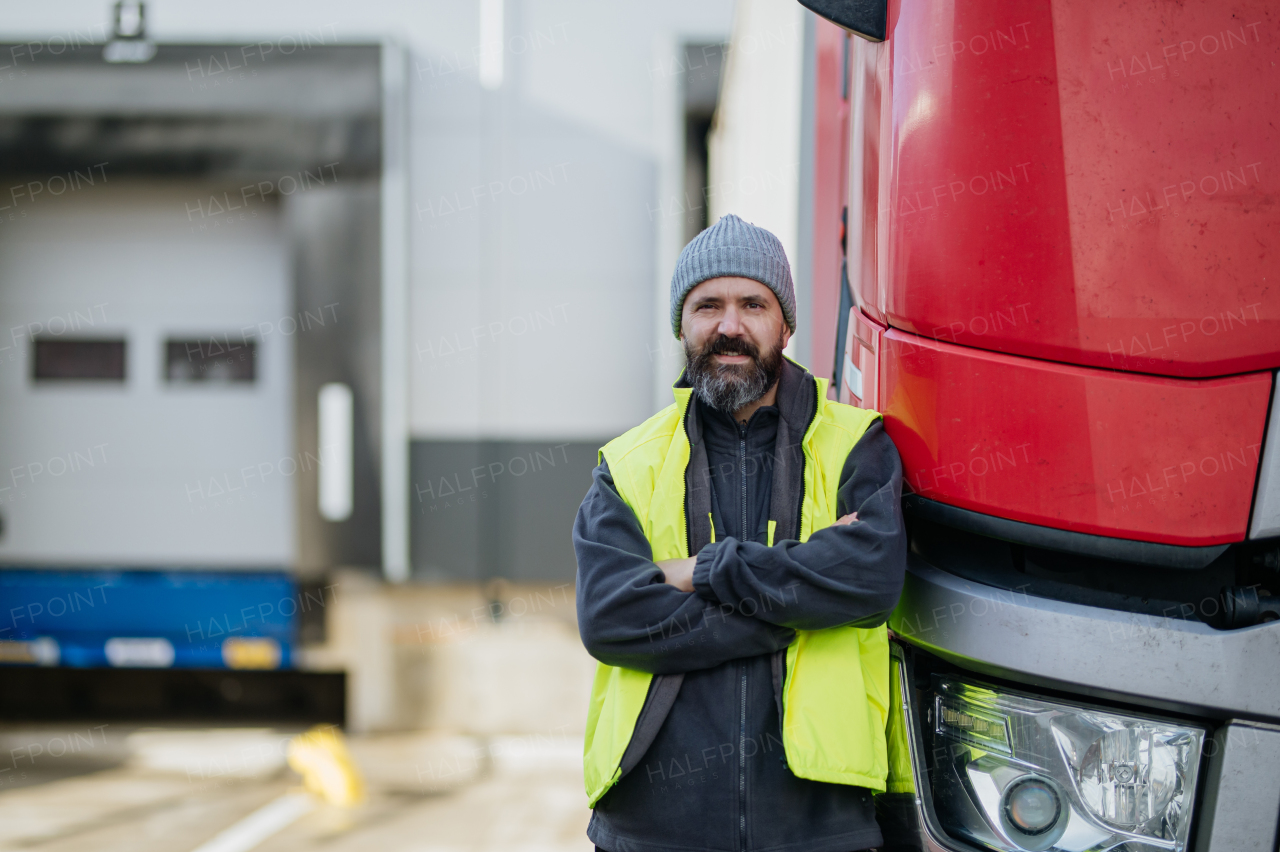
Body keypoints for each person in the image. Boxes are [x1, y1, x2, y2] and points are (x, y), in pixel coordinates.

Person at [573, 213, 907, 852]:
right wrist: (804, 601)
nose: (730, 325)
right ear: (681, 326)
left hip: (820, 825)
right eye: (708, 306)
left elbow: (870, 580)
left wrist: (701, 571)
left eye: (753, 303)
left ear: (786, 324)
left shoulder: (857, 445)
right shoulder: (629, 463)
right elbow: (610, 616)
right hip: (653, 825)